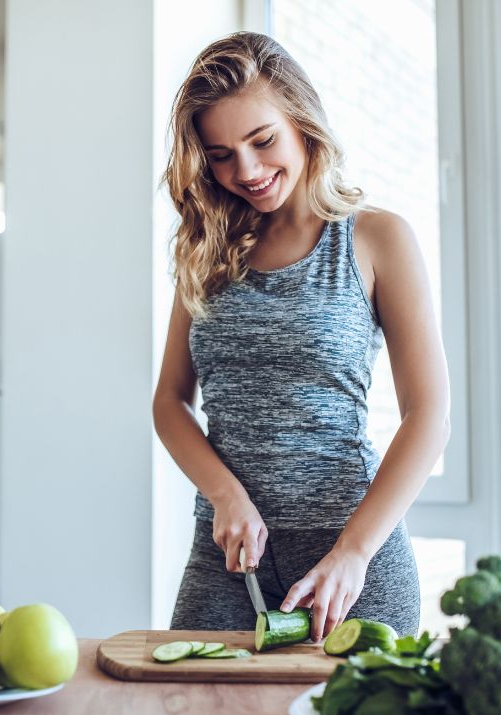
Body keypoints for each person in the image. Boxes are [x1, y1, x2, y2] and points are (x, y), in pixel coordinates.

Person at [153, 32, 450, 641]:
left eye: (263, 141)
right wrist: (224, 494)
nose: (248, 171)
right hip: (227, 560)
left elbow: (430, 413)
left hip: (351, 557)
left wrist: (355, 552)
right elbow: (170, 403)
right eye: (221, 154)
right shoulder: (203, 252)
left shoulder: (376, 239)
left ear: (302, 122)